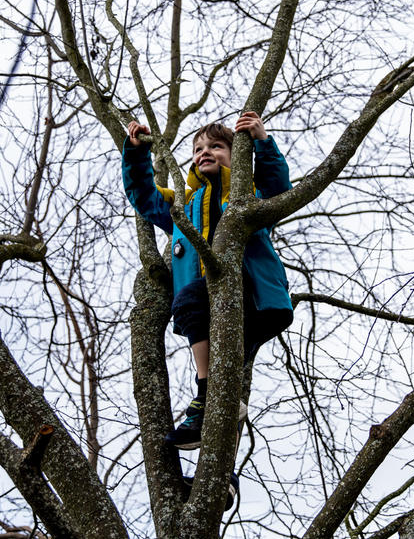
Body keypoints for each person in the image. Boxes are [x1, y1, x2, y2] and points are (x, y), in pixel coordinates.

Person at [121, 112, 294, 455]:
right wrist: (136, 152)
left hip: (254, 299)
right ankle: (221, 476)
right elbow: (143, 195)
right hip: (204, 314)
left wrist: (262, 141)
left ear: (237, 155)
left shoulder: (249, 193)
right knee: (226, 386)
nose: (205, 152)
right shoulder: (182, 204)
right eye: (198, 148)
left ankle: (203, 394)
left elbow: (279, 187)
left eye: (216, 146)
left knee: (188, 301)